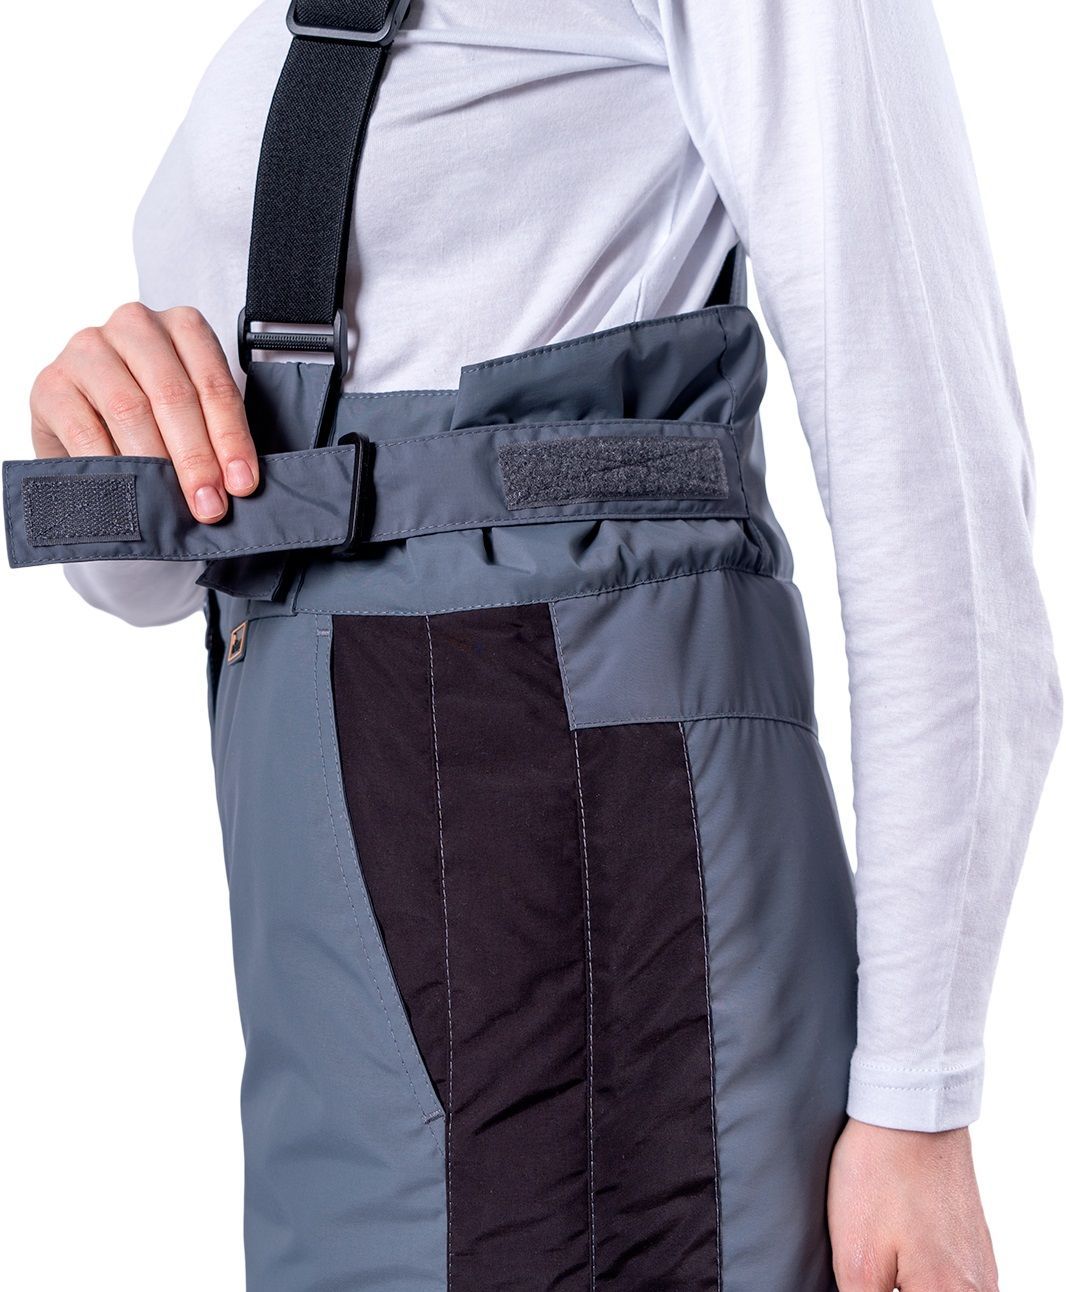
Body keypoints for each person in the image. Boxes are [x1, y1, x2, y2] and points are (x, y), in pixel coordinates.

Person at [16, 2, 1060, 1289]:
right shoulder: (272, 44)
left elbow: (933, 487)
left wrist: (917, 1095)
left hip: (592, 919)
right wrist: (103, 435)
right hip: (331, 960)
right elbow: (163, 570)